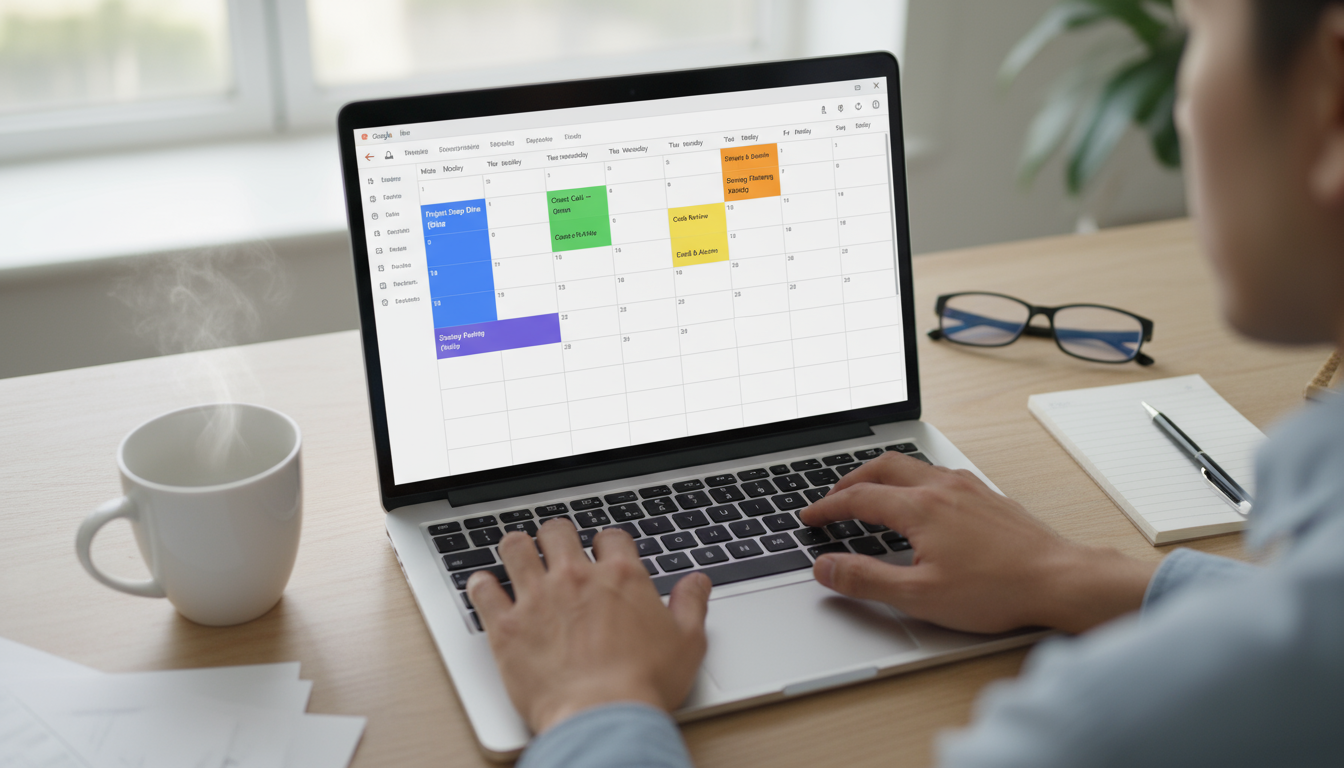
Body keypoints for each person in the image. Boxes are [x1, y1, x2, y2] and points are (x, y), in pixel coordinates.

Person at [466, 0, 1344, 764]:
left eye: (1199, 35)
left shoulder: (1098, 733)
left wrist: (594, 709)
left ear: (1332, 95)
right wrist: (1080, 574)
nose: (1186, 107)